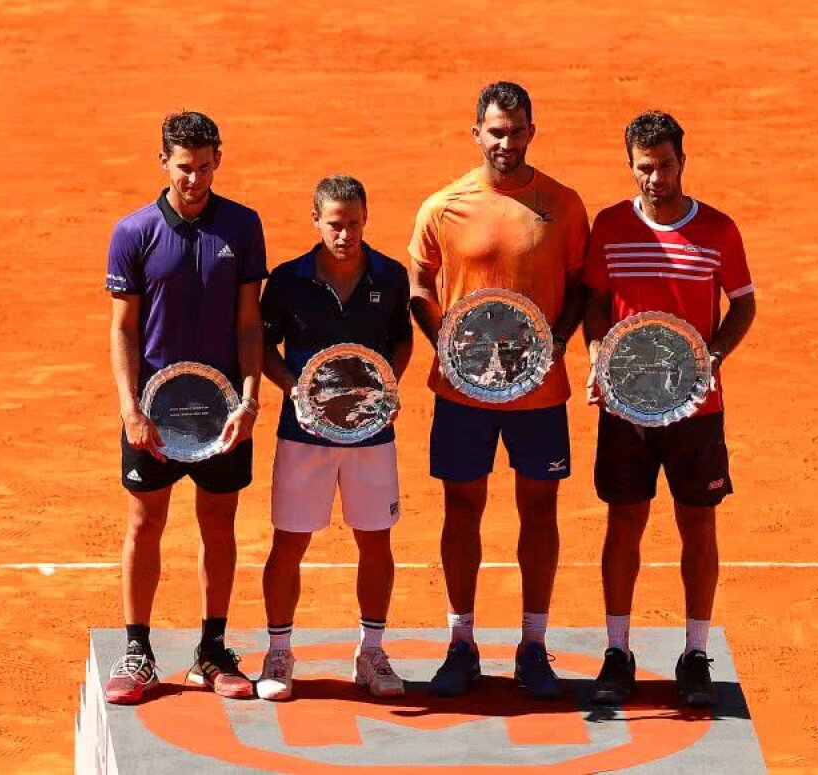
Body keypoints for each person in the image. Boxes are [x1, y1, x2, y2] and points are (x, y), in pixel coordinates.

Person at [408, 82, 590, 699]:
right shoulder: (443, 207)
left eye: (516, 131)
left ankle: (533, 646)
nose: (505, 142)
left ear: (531, 132)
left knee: (540, 509)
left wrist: (557, 341)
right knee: (462, 509)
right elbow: (419, 287)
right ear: (476, 134)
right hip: (463, 394)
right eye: (495, 131)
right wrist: (449, 347)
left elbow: (581, 284)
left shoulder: (563, 205)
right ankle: (461, 643)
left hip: (540, 392)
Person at [582, 111, 756, 706]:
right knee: (624, 520)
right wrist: (597, 356)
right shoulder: (610, 226)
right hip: (625, 407)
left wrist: (714, 357)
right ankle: (617, 652)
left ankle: (695, 653)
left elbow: (743, 305)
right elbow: (595, 303)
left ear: (683, 162)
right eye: (644, 167)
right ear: (630, 165)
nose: (655, 178)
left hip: (695, 411)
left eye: (664, 166)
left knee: (697, 523)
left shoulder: (718, 230)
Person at [103, 111, 267, 704]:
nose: (193, 180)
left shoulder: (243, 226)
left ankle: (212, 650)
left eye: (202, 167)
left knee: (218, 522)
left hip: (223, 411)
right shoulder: (134, 232)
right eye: (182, 168)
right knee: (145, 523)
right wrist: (130, 408)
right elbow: (124, 329)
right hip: (153, 412)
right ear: (163, 163)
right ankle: (137, 651)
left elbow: (249, 323)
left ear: (218, 160)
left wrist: (249, 398)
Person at [254, 176, 414, 701]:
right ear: (316, 221)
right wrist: (293, 390)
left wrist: (389, 385)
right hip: (303, 435)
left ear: (366, 220)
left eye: (355, 224)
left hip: (371, 435)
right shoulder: (287, 280)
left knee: (375, 539)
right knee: (289, 542)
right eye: (335, 225)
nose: (346, 235)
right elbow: (263, 346)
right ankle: (279, 653)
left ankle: (372, 653)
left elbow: (401, 339)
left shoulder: (391, 276)